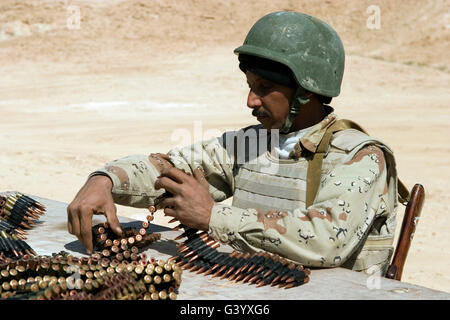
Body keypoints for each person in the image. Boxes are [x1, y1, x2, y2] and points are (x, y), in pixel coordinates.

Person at [67, 11, 402, 275]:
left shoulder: (360, 157)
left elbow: (326, 242)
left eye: (264, 87)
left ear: (307, 91)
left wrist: (214, 217)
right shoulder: (252, 143)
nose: (250, 101)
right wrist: (105, 179)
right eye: (249, 85)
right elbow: (168, 170)